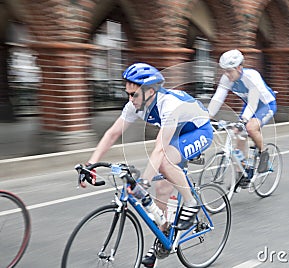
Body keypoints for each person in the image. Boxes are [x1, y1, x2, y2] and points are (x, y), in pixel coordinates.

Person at [83, 62, 213, 267]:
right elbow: (112, 134)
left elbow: (159, 149)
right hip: (176, 135)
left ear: (150, 91)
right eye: (127, 94)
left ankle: (191, 203)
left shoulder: (168, 105)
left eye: (133, 94)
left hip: (198, 131)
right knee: (161, 189)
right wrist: (91, 164)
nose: (130, 99)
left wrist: (143, 182)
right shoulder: (135, 105)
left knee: (164, 163)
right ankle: (162, 238)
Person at [207, 49, 277, 186]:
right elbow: (218, 98)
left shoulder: (252, 77)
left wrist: (244, 120)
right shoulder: (226, 78)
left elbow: (253, 102)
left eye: (229, 71)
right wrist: (207, 116)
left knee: (250, 128)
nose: (226, 74)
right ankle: (243, 170)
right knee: (237, 134)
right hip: (250, 107)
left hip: (265, 105)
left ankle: (264, 153)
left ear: (239, 68)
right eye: (224, 71)